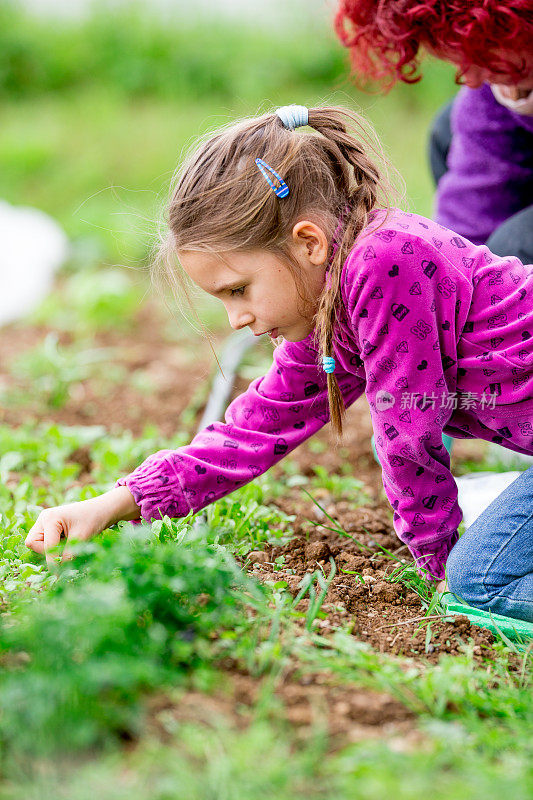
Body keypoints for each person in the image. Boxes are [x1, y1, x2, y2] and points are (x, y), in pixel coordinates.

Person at [25, 105, 533, 622]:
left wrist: (441, 570)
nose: (236, 318)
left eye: (238, 290)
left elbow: (407, 433)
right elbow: (255, 429)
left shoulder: (385, 264)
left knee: (480, 582)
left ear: (308, 243)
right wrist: (117, 503)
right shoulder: (333, 301)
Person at [334, 0, 533, 264]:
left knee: (515, 244)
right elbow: (470, 214)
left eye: (484, 53)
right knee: (447, 132)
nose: (471, 78)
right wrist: (445, 274)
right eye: (461, 60)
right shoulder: (493, 92)